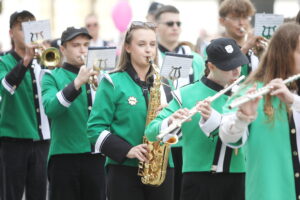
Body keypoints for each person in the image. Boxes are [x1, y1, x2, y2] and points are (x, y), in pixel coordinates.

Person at [145, 38, 248, 200]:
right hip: (198, 179)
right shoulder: (185, 94)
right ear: (211, 66)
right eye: (229, 67)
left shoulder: (246, 93)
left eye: (239, 64)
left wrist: (215, 120)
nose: (236, 71)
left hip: (237, 177)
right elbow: (151, 132)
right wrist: (171, 121)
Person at [87, 21, 174, 200]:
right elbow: (94, 129)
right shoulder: (112, 81)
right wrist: (128, 150)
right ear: (127, 47)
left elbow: (176, 133)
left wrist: (171, 120)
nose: (148, 50)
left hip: (161, 168)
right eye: (141, 44)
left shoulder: (165, 83)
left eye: (152, 44)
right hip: (124, 170)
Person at [219, 22, 300, 200]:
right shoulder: (251, 91)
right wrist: (243, 118)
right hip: (268, 193)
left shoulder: (294, 97)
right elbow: (228, 137)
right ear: (285, 54)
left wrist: (292, 100)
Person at [41, 27, 106, 200]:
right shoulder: (51, 76)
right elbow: (51, 109)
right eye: (76, 45)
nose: (83, 50)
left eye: (86, 45)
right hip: (64, 156)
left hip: (96, 156)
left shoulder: (101, 76)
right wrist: (77, 83)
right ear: (63, 49)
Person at [154, 5, 206, 199]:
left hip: (190, 138)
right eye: (169, 23)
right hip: (162, 137)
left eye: (178, 23)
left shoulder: (196, 58)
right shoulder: (150, 56)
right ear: (157, 28)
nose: (175, 27)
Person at [0, 10, 50, 200]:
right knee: (10, 195)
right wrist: (26, 60)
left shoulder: (43, 62)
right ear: (11, 33)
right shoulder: (3, 61)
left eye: (32, 27)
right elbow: (5, 88)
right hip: (13, 141)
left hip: (42, 141)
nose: (28, 33)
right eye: (22, 28)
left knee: (38, 195)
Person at [219, 0, 266, 75]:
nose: (241, 23)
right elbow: (223, 74)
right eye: (235, 18)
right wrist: (245, 48)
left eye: (245, 17)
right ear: (221, 21)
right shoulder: (215, 47)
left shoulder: (254, 45)